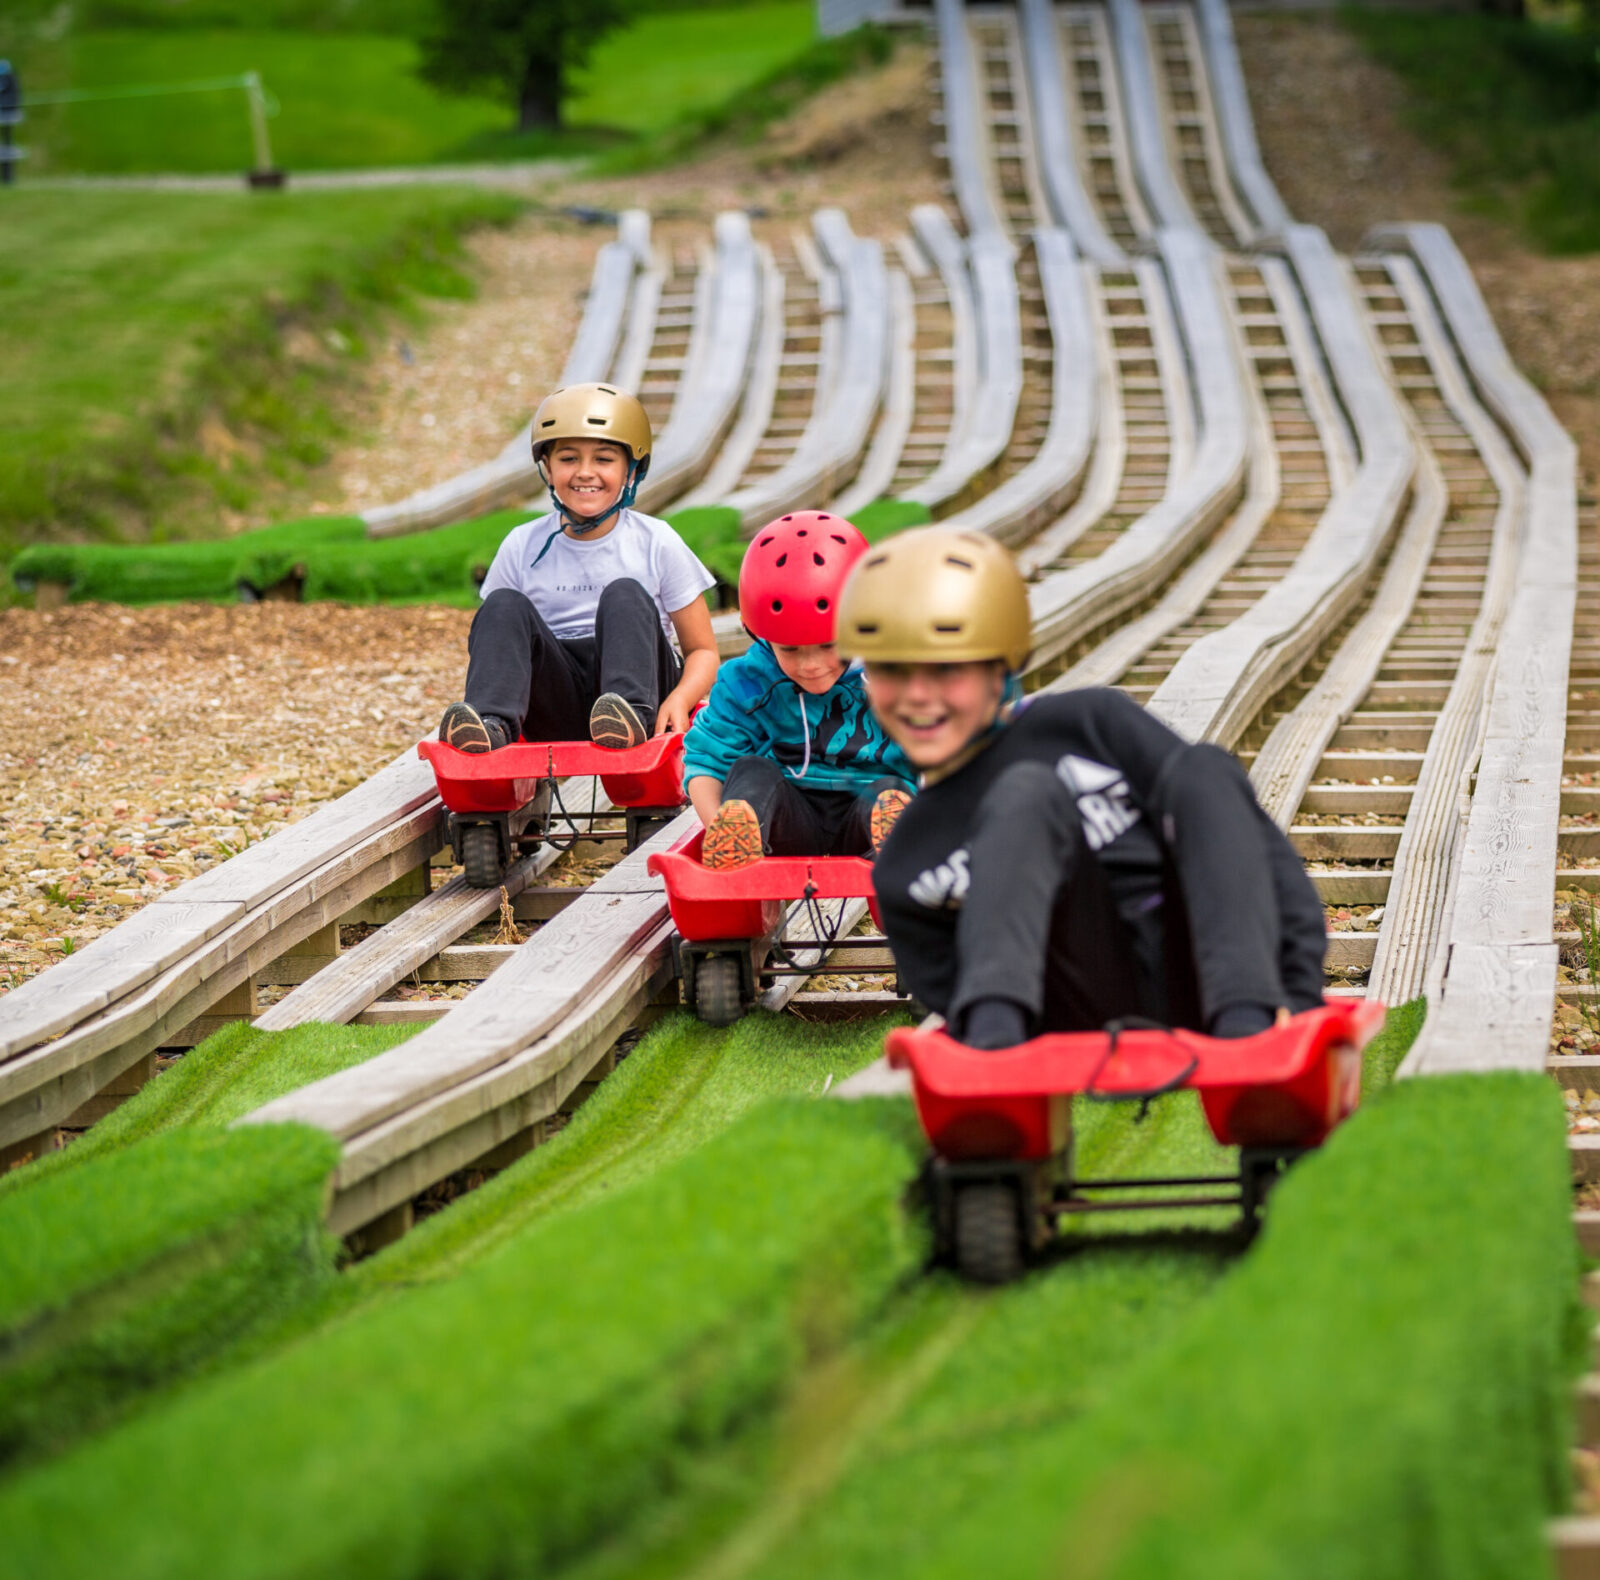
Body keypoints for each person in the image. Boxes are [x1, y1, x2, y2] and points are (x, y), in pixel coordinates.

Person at [836, 527, 1328, 1050]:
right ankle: (993, 1051)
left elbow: (1236, 829)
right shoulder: (909, 866)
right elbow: (949, 988)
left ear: (1000, 662)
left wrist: (1296, 996)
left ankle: (1252, 1028)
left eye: (946, 668)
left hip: (1211, 972)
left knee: (1204, 767)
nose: (917, 696)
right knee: (1025, 794)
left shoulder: (1092, 724)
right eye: (892, 669)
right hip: (1069, 1001)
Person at [437, 382, 719, 754]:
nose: (585, 472)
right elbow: (497, 641)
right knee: (502, 603)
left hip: (642, 695)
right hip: (558, 701)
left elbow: (703, 650)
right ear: (548, 470)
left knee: (624, 592)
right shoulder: (522, 544)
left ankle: (627, 716)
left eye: (603, 459)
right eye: (569, 459)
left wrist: (680, 700)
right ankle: (490, 725)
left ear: (631, 470)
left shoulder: (656, 540)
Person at [683, 511, 915, 871]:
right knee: (752, 770)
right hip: (787, 824)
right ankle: (736, 852)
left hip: (868, 822)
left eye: (827, 645)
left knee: (890, 791)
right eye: (789, 649)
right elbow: (705, 762)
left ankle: (903, 849)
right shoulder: (747, 681)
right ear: (759, 634)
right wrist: (718, 828)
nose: (810, 665)